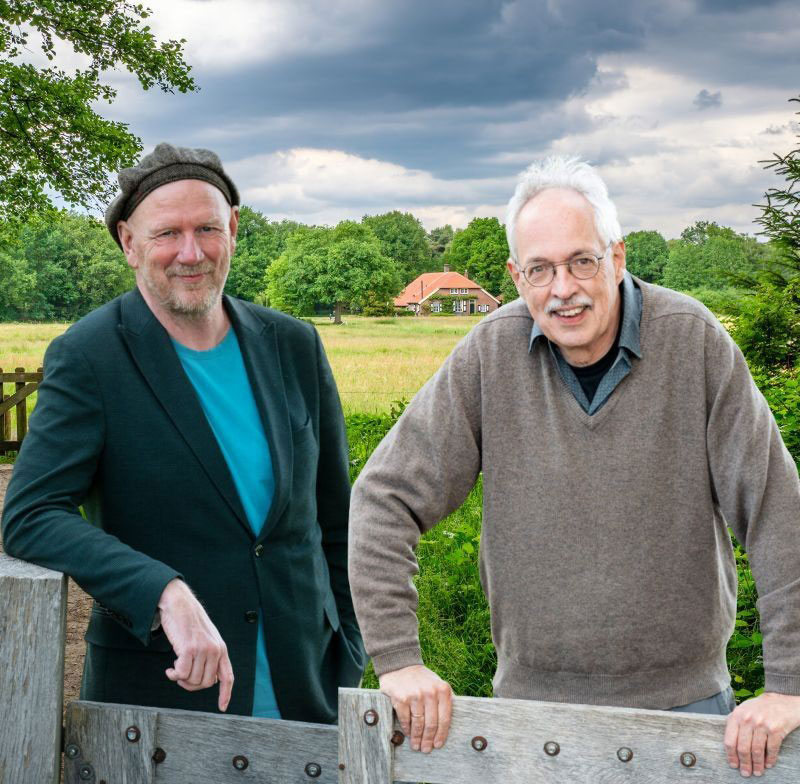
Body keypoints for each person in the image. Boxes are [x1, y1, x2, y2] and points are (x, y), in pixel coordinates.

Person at [348, 156, 800, 777]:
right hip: (531, 718)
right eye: (540, 269)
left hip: (687, 709)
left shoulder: (692, 340)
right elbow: (383, 497)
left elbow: (777, 512)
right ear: (517, 276)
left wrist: (790, 683)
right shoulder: (490, 352)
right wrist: (398, 660)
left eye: (581, 261)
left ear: (617, 257)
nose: (562, 289)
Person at [2, 143, 365, 722]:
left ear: (234, 229)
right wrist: (161, 591)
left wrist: (350, 645)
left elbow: (335, 518)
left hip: (309, 687)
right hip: (164, 698)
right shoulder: (89, 356)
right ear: (128, 242)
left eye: (207, 229)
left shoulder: (293, 344)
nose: (190, 253)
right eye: (167, 233)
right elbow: (30, 515)